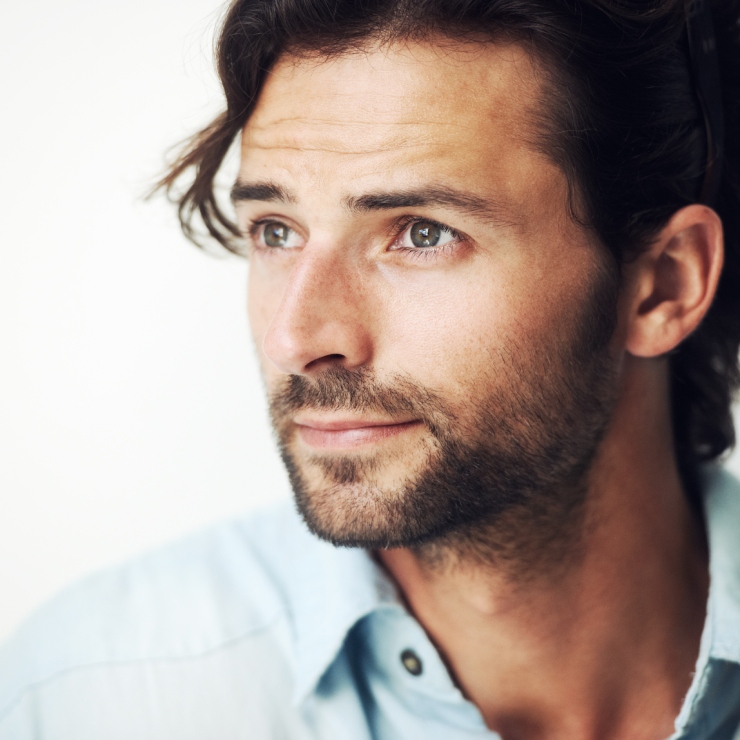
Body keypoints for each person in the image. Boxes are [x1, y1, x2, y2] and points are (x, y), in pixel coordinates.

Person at [2, 0, 740, 737]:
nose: (296, 338)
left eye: (422, 234)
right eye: (276, 230)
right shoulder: (91, 696)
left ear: (662, 285)